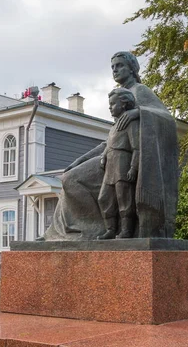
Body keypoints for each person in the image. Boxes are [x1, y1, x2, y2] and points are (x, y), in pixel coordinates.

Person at [42, 51, 178, 240]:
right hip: (110, 155)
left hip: (125, 160)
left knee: (71, 180)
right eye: (112, 67)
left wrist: (138, 112)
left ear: (131, 68)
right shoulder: (118, 95)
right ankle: (61, 231)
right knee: (69, 176)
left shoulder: (139, 90)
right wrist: (80, 160)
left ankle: (89, 230)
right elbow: (110, 139)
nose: (115, 70)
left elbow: (166, 120)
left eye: (119, 65)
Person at [97, 88, 140, 239]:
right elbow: (109, 145)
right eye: (109, 105)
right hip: (110, 166)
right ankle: (110, 229)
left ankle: (126, 230)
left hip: (123, 162)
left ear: (123, 104)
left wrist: (133, 168)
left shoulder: (130, 123)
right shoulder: (113, 127)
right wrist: (103, 156)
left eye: (113, 104)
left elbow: (136, 147)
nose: (110, 107)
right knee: (104, 198)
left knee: (124, 198)